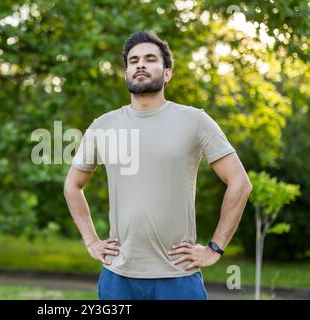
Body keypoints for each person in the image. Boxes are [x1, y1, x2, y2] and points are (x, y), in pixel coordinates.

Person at [63, 30, 252, 300]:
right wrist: (91, 241)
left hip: (178, 277)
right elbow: (72, 185)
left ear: (167, 73)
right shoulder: (103, 126)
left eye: (150, 59)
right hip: (118, 278)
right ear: (126, 72)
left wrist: (215, 248)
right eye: (133, 60)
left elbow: (240, 183)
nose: (140, 64)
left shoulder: (195, 121)